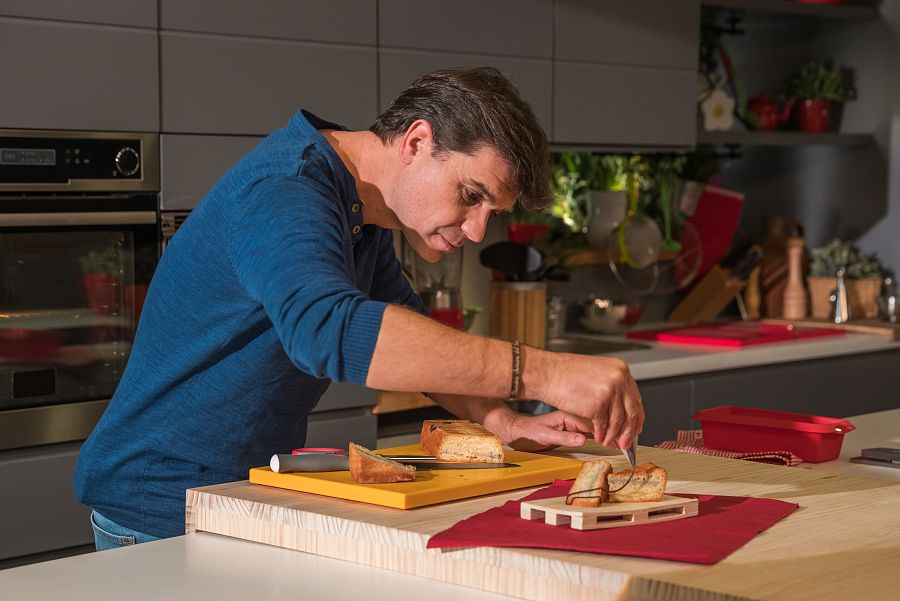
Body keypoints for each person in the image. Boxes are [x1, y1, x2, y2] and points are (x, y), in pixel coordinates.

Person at [74, 67, 644, 549]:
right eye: (471, 196)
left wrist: (504, 420)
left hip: (238, 497)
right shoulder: (288, 187)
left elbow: (413, 337)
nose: (475, 230)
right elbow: (328, 330)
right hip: (159, 505)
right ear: (417, 142)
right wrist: (547, 370)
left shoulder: (360, 217)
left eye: (490, 212)